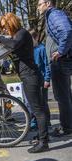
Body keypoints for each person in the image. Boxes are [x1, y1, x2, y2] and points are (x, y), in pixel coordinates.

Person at [0, 13, 49, 153]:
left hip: (30, 76)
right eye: (2, 28)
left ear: (11, 23)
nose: (4, 30)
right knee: (37, 108)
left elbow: (13, 44)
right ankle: (43, 136)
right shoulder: (17, 35)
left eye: (4, 26)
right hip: (27, 76)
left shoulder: (22, 33)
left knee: (37, 109)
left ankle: (43, 142)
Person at [37, 0, 72, 137]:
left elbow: (67, 31)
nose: (38, 7)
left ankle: (67, 127)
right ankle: (68, 124)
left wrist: (61, 51)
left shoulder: (54, 14)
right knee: (65, 95)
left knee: (62, 96)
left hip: (60, 61)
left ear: (47, 3)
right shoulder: (52, 15)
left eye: (40, 4)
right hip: (60, 61)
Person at [29, 29, 51, 130]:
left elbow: (47, 65)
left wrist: (47, 79)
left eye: (31, 39)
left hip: (42, 80)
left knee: (43, 103)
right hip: (33, 80)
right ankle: (34, 122)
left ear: (36, 38)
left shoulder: (42, 49)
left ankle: (47, 121)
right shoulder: (29, 50)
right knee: (33, 103)